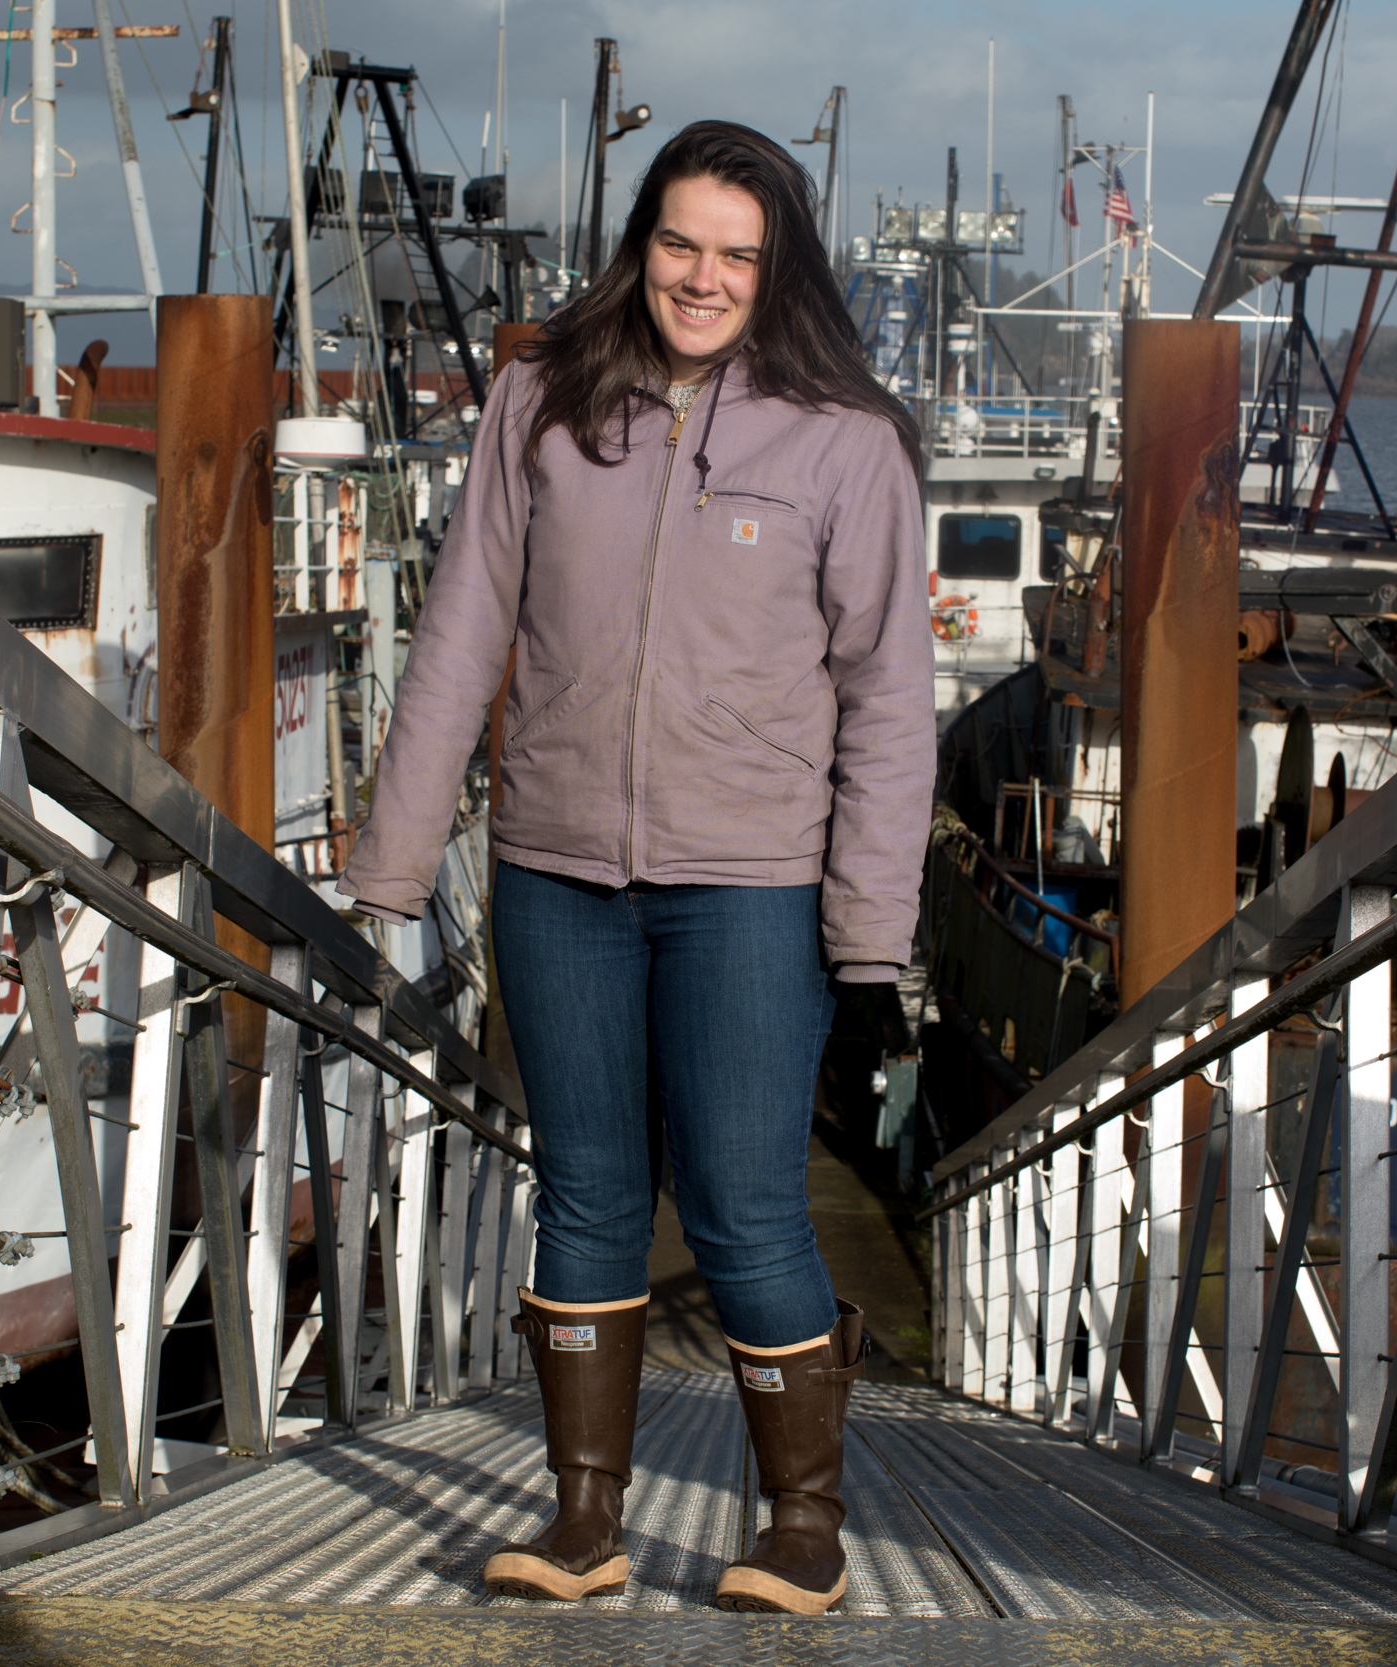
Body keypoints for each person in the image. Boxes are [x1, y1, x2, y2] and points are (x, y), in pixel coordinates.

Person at [337, 119, 931, 1614]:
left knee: (742, 1202)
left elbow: (888, 701)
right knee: (585, 1194)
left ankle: (803, 1525)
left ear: (776, 263)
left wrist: (868, 950)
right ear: (639, 242)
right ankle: (584, 1523)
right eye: (681, 243)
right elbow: (464, 628)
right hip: (555, 870)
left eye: (738, 251)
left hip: (751, 888)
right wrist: (391, 872)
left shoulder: (845, 441)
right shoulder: (542, 401)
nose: (704, 276)